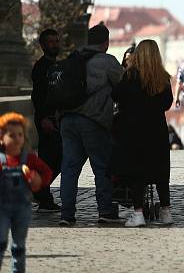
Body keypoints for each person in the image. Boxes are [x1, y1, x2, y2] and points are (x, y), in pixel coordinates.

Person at [59, 23, 125, 226]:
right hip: (93, 120)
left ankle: (67, 214)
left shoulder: (73, 58)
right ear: (106, 42)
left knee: (69, 168)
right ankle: (105, 210)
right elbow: (123, 87)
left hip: (67, 120)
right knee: (101, 167)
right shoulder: (107, 61)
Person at [110, 39, 175, 228]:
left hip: (134, 129)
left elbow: (116, 95)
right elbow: (167, 103)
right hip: (157, 130)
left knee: (137, 172)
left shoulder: (130, 76)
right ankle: (165, 211)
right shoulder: (162, 78)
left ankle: (138, 214)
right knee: (161, 171)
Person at [0, 112, 53, 272]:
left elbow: (47, 173)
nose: (17, 139)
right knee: (1, 241)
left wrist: (38, 181)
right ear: (2, 137)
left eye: (20, 135)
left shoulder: (28, 158)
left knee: (18, 245)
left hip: (22, 208)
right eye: (12, 135)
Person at [29, 28, 61, 212]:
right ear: (43, 45)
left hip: (54, 119)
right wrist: (43, 119)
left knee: (56, 158)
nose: (55, 44)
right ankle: (41, 194)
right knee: (50, 159)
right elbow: (38, 97)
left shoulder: (55, 65)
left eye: (56, 41)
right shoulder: (42, 67)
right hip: (46, 120)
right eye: (51, 42)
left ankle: (41, 192)